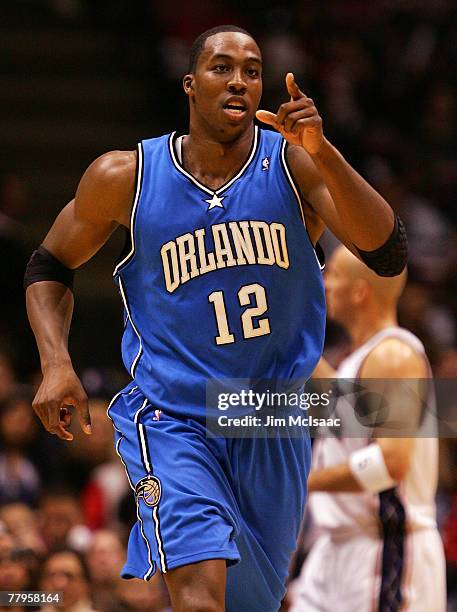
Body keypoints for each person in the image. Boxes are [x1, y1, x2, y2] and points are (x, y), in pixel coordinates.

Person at [25, 24, 407, 612]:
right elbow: (48, 264)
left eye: (252, 71)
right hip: (174, 413)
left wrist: (323, 151)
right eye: (221, 68)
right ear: (189, 84)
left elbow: (387, 253)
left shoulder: (294, 166)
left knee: (250, 603)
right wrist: (55, 363)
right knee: (201, 595)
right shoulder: (125, 176)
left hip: (268, 415)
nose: (239, 82)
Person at [288, 246, 446, 611]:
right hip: (337, 548)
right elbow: (340, 412)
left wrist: (303, 482)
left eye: (333, 276)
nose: (324, 284)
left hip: (386, 547)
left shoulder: (395, 356)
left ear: (360, 292)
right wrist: (289, 338)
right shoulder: (360, 359)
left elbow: (389, 464)